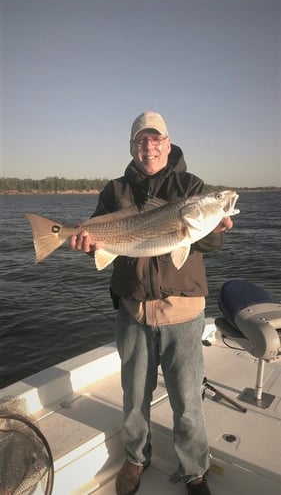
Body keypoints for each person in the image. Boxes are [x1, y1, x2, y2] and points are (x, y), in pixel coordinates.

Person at [70, 111, 233, 495]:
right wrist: (83, 243)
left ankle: (195, 469)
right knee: (133, 400)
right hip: (133, 311)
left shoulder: (190, 185)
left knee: (189, 402)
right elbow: (98, 237)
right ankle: (135, 458)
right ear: (132, 147)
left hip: (184, 312)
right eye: (141, 140)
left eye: (156, 139)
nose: (149, 147)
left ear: (168, 142)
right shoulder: (115, 190)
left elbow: (211, 243)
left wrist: (216, 223)